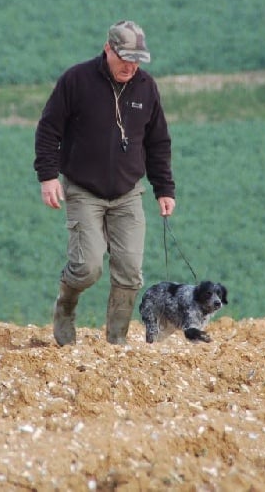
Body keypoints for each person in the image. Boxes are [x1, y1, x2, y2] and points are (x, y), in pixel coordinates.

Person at [34, 20, 176, 346]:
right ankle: (65, 307)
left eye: (137, 59)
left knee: (130, 273)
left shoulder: (146, 88)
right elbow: (48, 129)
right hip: (83, 190)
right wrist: (47, 176)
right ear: (107, 48)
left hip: (128, 193)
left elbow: (158, 143)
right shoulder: (76, 80)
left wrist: (164, 189)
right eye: (124, 57)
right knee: (87, 268)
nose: (130, 65)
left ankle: (116, 343)